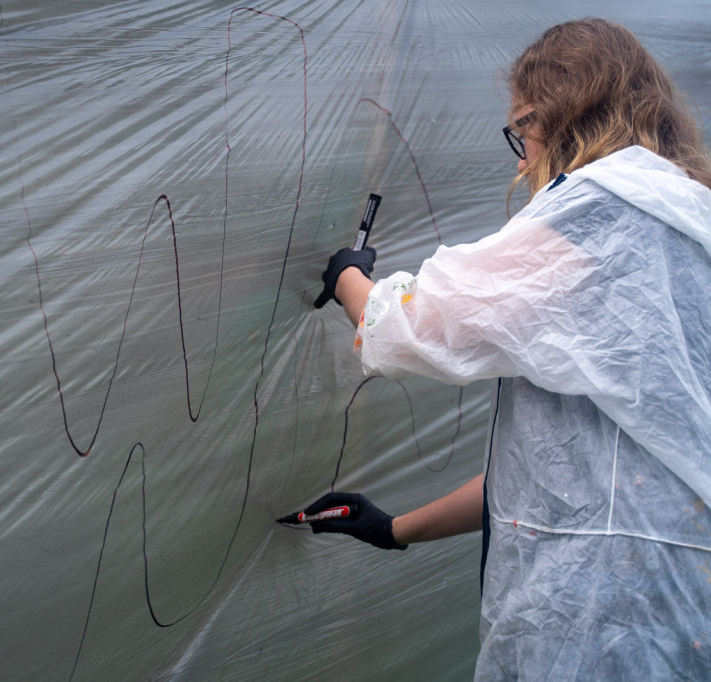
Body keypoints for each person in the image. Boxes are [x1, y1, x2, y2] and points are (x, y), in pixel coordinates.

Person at [303, 18, 711, 680]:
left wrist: (348, 278)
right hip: (678, 609)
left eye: (524, 128)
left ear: (568, 115)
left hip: (605, 629)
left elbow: (413, 328)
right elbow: (571, 479)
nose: (521, 157)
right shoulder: (688, 225)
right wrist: (395, 529)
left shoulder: (601, 217)